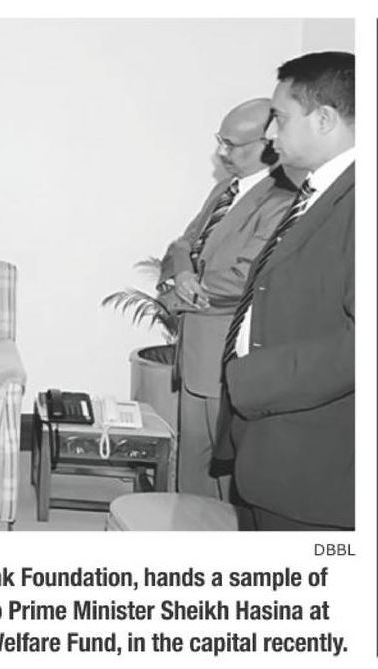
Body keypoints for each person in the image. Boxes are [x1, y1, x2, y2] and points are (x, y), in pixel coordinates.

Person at [215, 52, 355, 530]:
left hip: (315, 468)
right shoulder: (318, 191)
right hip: (273, 448)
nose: (271, 134)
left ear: (324, 119)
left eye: (280, 117)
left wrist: (252, 380)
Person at [158, 98, 295, 499]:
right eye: (220, 140)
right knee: (192, 469)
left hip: (224, 356)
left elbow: (243, 280)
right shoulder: (225, 189)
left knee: (219, 477)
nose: (221, 152)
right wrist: (184, 276)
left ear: (268, 145)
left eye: (232, 144)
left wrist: (183, 289)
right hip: (194, 351)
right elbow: (182, 244)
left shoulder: (281, 201)